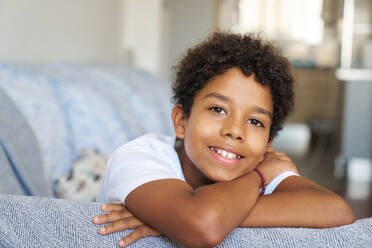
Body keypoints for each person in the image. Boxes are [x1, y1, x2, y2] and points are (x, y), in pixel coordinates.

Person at [92, 32, 355, 247]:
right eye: (218, 109)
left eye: (255, 121)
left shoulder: (255, 163)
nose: (235, 131)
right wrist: (258, 178)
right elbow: (204, 226)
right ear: (181, 121)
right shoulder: (140, 156)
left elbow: (337, 210)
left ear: (267, 145)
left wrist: (184, 217)